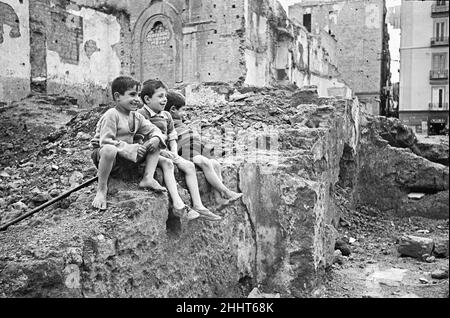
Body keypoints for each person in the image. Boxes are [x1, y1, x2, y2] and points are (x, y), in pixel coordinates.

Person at [138, 79, 221, 221]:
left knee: (189, 166)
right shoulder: (141, 115)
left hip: (166, 150)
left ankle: (198, 205)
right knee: (169, 165)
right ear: (147, 99)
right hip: (151, 152)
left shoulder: (166, 115)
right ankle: (179, 205)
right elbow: (141, 139)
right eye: (160, 96)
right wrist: (164, 152)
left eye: (165, 96)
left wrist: (175, 153)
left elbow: (172, 137)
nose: (164, 100)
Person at [90, 76, 167, 210]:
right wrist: (131, 148)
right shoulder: (112, 115)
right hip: (109, 159)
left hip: (127, 158)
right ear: (117, 96)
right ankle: (101, 190)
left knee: (156, 142)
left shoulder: (136, 116)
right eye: (132, 94)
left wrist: (155, 138)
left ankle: (148, 178)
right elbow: (106, 141)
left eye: (138, 95)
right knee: (109, 149)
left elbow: (154, 129)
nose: (137, 99)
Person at [165, 90, 243, 208]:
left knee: (215, 164)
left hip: (196, 145)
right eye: (182, 110)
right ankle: (226, 192)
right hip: (185, 148)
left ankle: (218, 198)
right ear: (173, 110)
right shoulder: (166, 121)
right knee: (204, 162)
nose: (185, 113)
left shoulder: (180, 121)